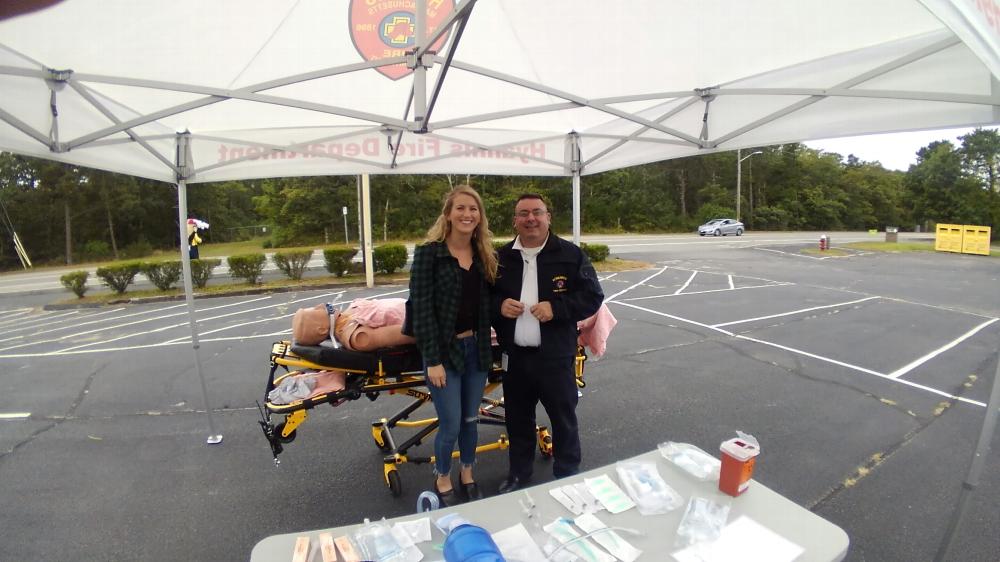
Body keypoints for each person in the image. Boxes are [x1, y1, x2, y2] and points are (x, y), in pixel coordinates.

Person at [491, 193, 604, 494]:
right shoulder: (500, 258)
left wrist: (557, 309)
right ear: (514, 221)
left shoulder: (569, 254)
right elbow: (483, 299)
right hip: (515, 358)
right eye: (523, 213)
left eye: (537, 212)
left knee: (563, 418)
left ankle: (567, 474)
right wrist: (499, 306)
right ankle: (519, 474)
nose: (530, 218)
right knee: (518, 420)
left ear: (548, 217)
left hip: (555, 356)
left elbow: (593, 296)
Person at [409, 185, 498, 506]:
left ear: (480, 217)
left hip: (477, 351)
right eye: (460, 208)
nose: (467, 214)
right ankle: (443, 474)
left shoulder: (485, 254)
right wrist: (431, 360)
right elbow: (420, 310)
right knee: (450, 424)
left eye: (473, 209)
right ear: (448, 214)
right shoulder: (428, 254)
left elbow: (490, 303)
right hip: (443, 354)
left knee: (471, 420)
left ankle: (468, 472)